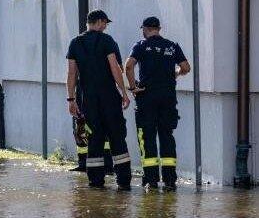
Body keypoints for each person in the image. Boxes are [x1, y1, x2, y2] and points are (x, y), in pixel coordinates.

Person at [66, 10, 132, 190]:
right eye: (105, 23)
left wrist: (71, 99)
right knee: (117, 136)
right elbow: (115, 68)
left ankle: (95, 181)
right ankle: (123, 180)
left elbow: (72, 73)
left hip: (89, 99)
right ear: (99, 22)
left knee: (94, 139)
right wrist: (124, 92)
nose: (105, 27)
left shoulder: (75, 43)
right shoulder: (106, 40)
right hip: (109, 97)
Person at [125, 17, 190, 191]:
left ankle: (151, 180)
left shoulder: (140, 46)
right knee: (167, 136)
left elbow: (129, 66)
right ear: (159, 29)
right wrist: (174, 74)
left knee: (147, 138)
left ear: (145, 29)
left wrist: (133, 87)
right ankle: (169, 180)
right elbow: (186, 68)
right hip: (167, 99)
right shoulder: (172, 46)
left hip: (146, 98)